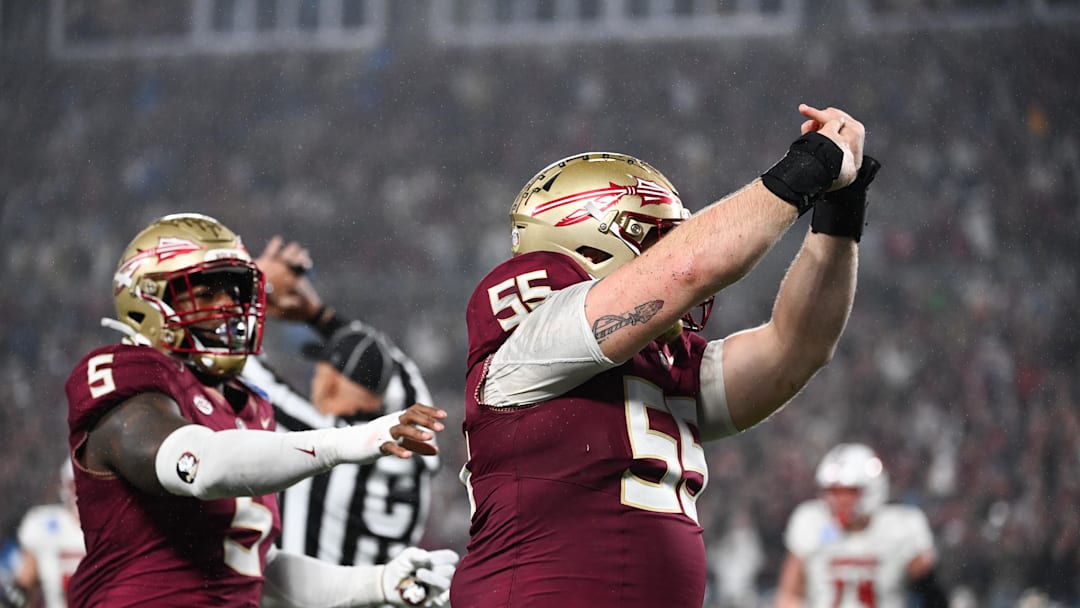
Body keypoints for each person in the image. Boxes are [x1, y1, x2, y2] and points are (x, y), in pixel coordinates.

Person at [451, 103, 878, 607]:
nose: (668, 250)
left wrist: (840, 209)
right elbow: (685, 270)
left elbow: (796, 347)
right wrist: (810, 165)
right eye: (656, 239)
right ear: (593, 244)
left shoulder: (660, 369)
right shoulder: (533, 342)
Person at [65, 213, 458, 607]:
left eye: (236, 292)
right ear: (148, 301)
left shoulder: (249, 405)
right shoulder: (125, 372)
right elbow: (201, 466)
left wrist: (379, 584)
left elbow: (256, 567)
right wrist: (347, 441)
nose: (229, 308)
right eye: (206, 293)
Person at [241, 237, 438, 567]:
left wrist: (251, 287)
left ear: (329, 381)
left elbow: (243, 366)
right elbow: (400, 368)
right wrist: (319, 315)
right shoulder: (417, 446)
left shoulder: (316, 436)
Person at [775, 443, 949, 608]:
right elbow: (789, 593)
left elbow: (932, 594)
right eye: (833, 491)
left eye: (849, 492)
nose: (839, 501)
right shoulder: (811, 522)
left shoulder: (901, 527)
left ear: (871, 490)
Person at [9, 461, 85, 608]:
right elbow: (24, 585)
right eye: (76, 486)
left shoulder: (118, 529)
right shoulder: (42, 526)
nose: (83, 492)